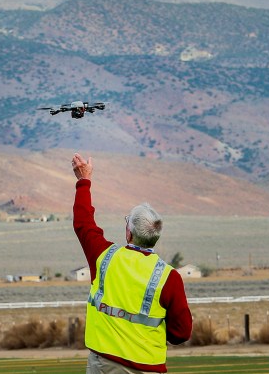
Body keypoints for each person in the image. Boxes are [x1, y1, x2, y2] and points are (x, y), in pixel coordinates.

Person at [71, 153, 192, 374]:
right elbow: (181, 333)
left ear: (129, 233)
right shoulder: (169, 277)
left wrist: (83, 181)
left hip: (103, 365)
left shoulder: (104, 256)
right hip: (148, 367)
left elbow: (83, 222)